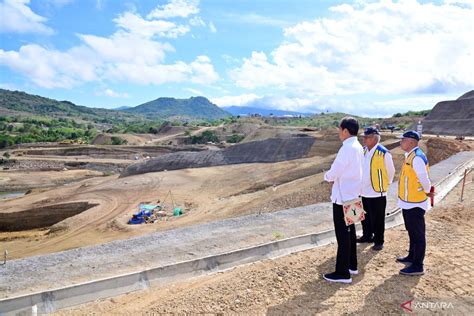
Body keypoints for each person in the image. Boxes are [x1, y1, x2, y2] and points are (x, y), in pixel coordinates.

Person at [323, 117, 364, 284]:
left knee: (343, 235)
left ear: (345, 130)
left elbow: (335, 172)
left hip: (342, 198)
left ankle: (342, 273)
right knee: (351, 232)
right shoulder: (358, 146)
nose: (339, 133)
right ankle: (352, 266)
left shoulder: (346, 148)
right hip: (353, 195)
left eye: (339, 129)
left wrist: (326, 176)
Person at [396, 131, 433, 276]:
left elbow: (424, 178)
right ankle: (412, 256)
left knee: (418, 234)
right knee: (411, 231)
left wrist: (427, 191)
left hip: (415, 202)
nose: (401, 142)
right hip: (408, 202)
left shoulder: (416, 157)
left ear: (411, 142)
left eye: (403, 140)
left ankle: (418, 265)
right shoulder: (410, 155)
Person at [358, 127, 395, 251]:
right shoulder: (363, 151)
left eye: (366, 137)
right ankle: (367, 235)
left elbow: (391, 171)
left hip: (377, 192)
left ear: (374, 138)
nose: (364, 139)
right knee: (364, 216)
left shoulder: (383, 153)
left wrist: (384, 185)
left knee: (378, 219)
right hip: (363, 191)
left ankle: (379, 240)